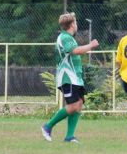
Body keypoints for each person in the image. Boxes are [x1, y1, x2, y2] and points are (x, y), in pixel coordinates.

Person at [41, 12, 99, 143]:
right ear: (72, 24)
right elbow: (75, 51)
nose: (77, 24)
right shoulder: (65, 37)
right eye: (76, 22)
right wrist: (91, 45)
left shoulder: (69, 37)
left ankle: (69, 136)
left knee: (78, 105)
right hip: (67, 78)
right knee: (73, 105)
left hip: (75, 78)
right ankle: (48, 126)